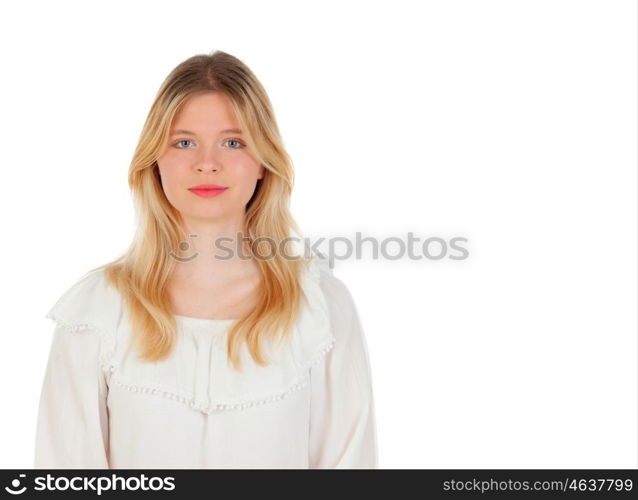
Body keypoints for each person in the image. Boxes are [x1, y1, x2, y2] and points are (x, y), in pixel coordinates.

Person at [34, 50, 378, 469]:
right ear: (155, 161)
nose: (207, 164)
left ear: (263, 165)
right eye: (184, 142)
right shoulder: (97, 311)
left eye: (233, 142)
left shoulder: (321, 308)